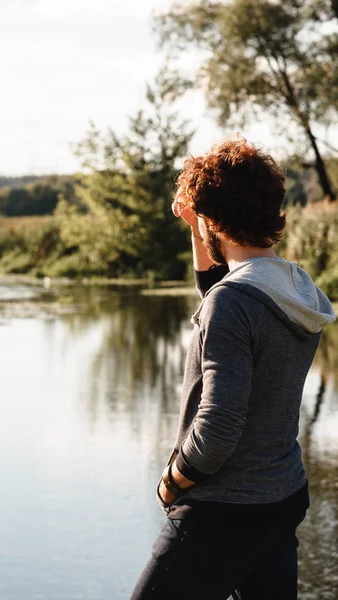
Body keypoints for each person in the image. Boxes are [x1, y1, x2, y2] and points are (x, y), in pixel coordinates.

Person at [129, 137, 336, 600]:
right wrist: (196, 227)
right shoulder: (293, 286)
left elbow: (219, 427)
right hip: (280, 499)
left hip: (222, 508)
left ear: (215, 221)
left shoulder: (234, 302)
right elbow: (221, 292)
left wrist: (172, 480)